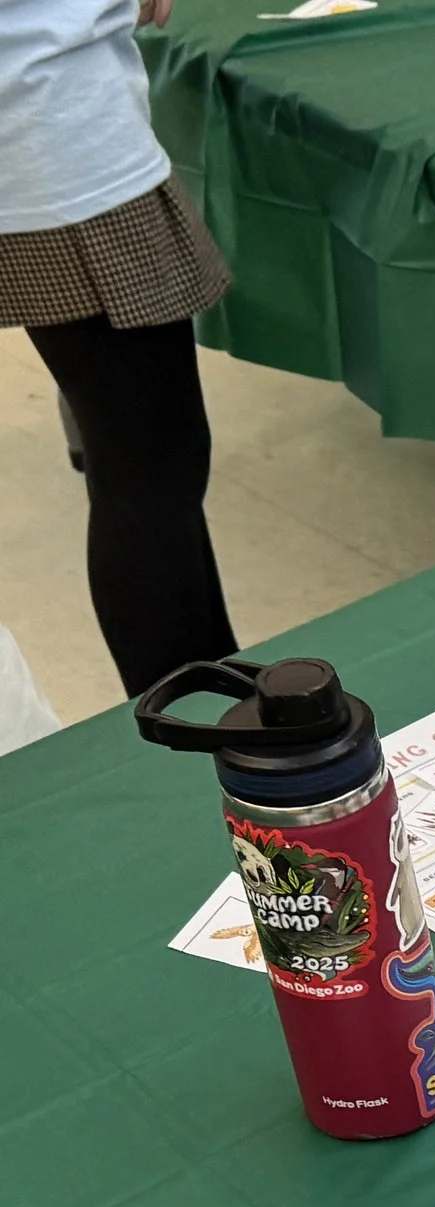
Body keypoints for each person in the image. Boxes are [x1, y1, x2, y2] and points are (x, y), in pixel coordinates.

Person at [1, 0, 237, 697]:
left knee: (144, 460)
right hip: (55, 145)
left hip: (43, 134)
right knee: (147, 467)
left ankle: (214, 682)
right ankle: (193, 720)